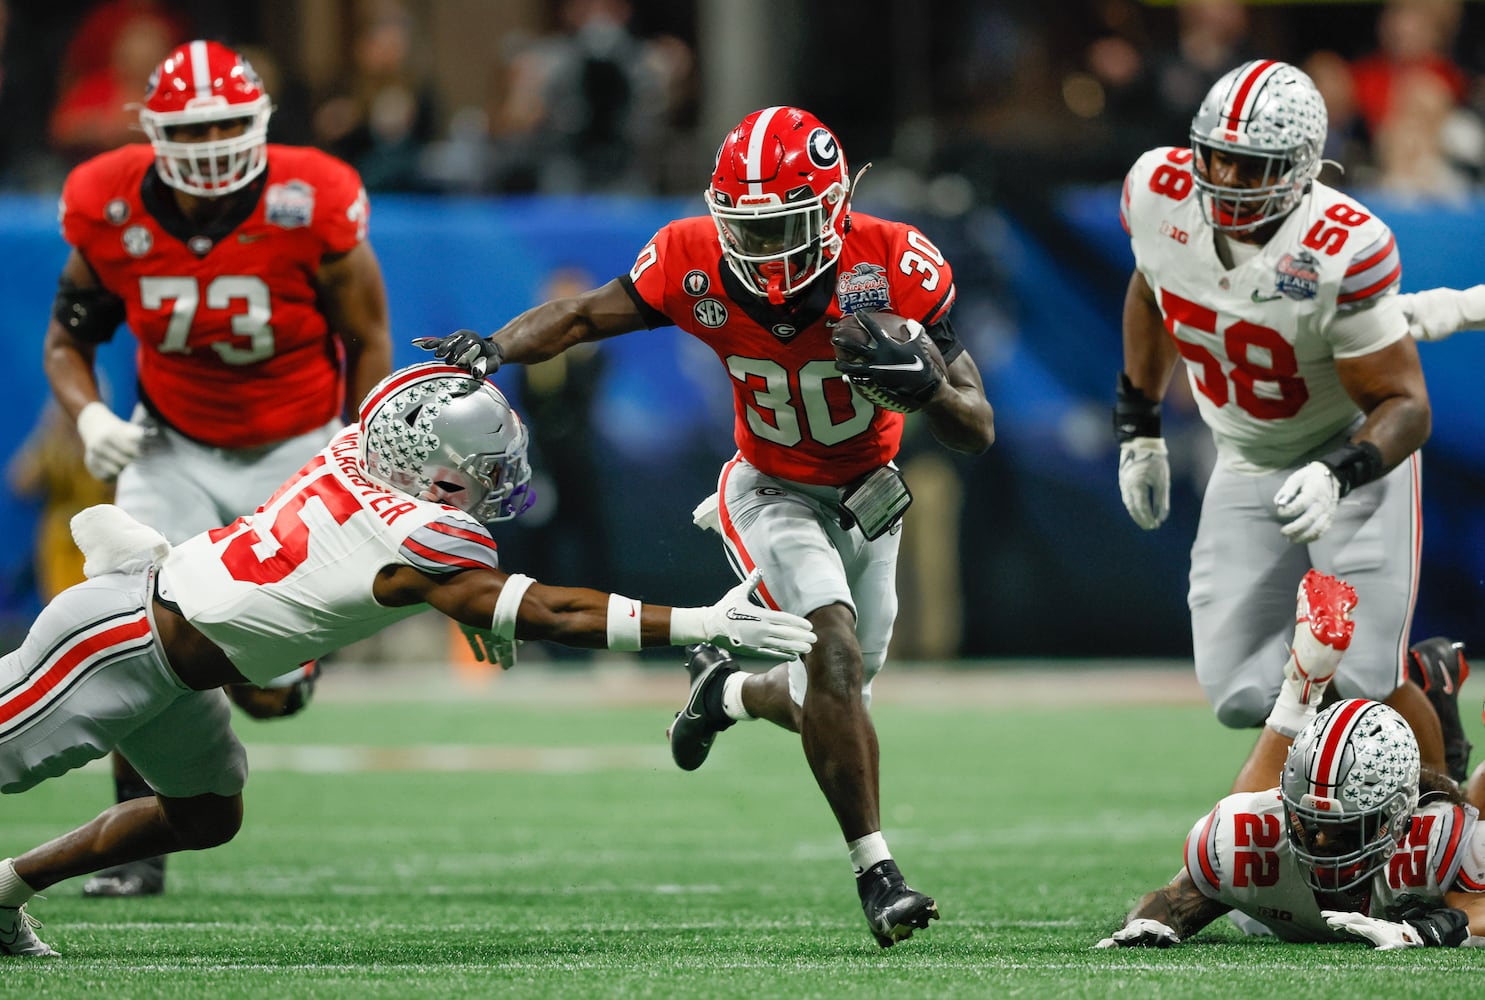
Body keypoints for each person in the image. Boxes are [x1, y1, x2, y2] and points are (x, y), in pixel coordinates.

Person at [417, 105, 997, 947]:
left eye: (783, 229)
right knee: (831, 653)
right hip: (768, 487)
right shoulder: (692, 258)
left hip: (870, 492)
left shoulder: (894, 261)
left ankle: (724, 690)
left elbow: (975, 428)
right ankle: (878, 875)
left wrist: (928, 388)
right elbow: (580, 316)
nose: (760, 252)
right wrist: (495, 350)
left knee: (837, 698)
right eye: (746, 230)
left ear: (832, 212)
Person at [0, 362, 815, 958]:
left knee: (206, 811)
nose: (495, 483)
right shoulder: (421, 533)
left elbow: (463, 560)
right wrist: (704, 620)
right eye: (479, 472)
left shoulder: (358, 447)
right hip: (122, 641)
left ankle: (8, 888)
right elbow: (551, 611)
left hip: (179, 658)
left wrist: (478, 601)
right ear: (428, 468)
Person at [42, 39, 394, 897]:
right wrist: (89, 414)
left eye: (232, 122)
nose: (213, 143)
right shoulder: (106, 201)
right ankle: (135, 849)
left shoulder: (314, 196)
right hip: (173, 443)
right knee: (132, 634)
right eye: (195, 128)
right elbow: (68, 339)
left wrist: (365, 445)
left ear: (263, 122)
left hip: (299, 448)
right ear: (153, 132)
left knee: (265, 690)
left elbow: (369, 334)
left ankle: (285, 672)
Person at [1114, 58, 1470, 794]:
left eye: (1254, 168)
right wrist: (1138, 422)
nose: (1230, 181)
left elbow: (1406, 406)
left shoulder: (1343, 245)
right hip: (1245, 456)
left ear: (1303, 167)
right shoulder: (1157, 191)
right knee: (1239, 690)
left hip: (1349, 454)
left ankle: (1440, 836)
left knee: (1366, 678)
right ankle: (1321, 822)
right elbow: (1152, 288)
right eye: (1218, 159)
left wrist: (1341, 471)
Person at [1097, 573, 1485, 949]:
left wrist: (1430, 930)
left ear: (1399, 819)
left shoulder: (1439, 838)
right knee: (1243, 833)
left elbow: (1476, 909)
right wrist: (1145, 925)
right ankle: (1305, 684)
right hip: (1292, 881)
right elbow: (1175, 900)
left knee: (1465, 790)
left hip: (1424, 809)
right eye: (1309, 821)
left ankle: (1312, 683)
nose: (1319, 841)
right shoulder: (1249, 836)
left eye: (1345, 829)